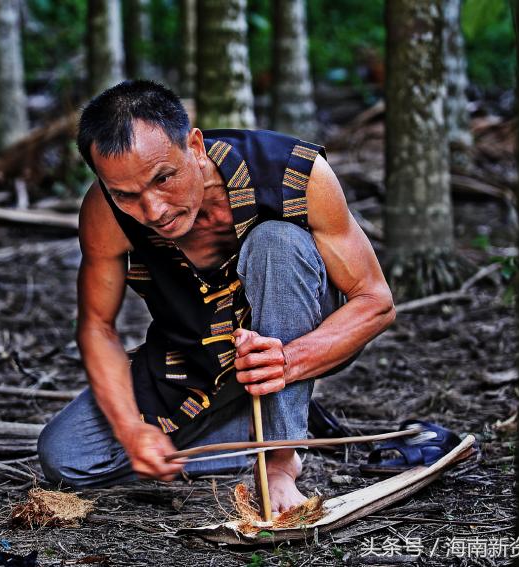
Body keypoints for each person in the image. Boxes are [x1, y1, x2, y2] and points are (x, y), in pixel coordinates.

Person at [38, 80, 395, 514]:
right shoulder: (103, 211)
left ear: (195, 145)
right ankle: (246, 430)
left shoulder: (293, 173)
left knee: (278, 242)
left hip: (299, 336)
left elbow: (374, 301)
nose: (154, 211)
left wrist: (289, 360)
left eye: (164, 178)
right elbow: (97, 326)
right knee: (66, 458)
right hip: (191, 358)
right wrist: (131, 429)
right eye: (126, 195)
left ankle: (279, 459)